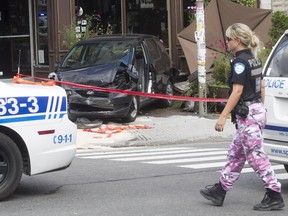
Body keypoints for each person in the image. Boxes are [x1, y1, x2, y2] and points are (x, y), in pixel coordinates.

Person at [200, 23, 285, 211]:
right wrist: (260, 108)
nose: (227, 42)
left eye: (229, 39)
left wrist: (222, 116)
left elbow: (237, 91)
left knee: (256, 156)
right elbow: (261, 86)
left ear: (237, 40)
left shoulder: (239, 62)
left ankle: (274, 194)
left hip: (248, 114)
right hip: (255, 111)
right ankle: (220, 189)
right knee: (236, 154)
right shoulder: (254, 59)